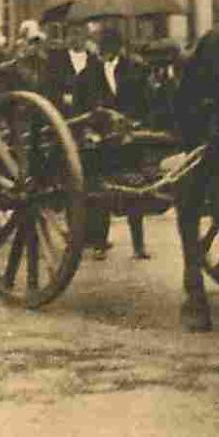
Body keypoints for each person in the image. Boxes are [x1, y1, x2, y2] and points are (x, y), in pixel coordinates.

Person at [74, 23, 153, 260]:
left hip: (129, 141)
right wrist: (89, 131)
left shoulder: (136, 70)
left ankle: (139, 245)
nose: (102, 52)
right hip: (100, 143)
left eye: (106, 47)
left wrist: (137, 124)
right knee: (100, 194)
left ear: (116, 48)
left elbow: (147, 103)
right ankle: (100, 242)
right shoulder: (86, 75)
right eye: (100, 47)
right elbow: (80, 109)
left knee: (135, 191)